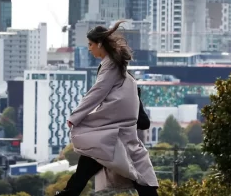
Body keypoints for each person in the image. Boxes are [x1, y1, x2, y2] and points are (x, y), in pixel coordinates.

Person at [57, 21, 158, 196]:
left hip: (114, 131)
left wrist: (75, 116)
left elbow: (98, 92)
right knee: (126, 166)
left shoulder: (110, 64)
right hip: (115, 132)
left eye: (90, 44)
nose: (89, 48)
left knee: (131, 167)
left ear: (99, 44)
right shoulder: (116, 64)